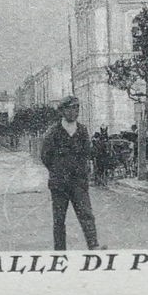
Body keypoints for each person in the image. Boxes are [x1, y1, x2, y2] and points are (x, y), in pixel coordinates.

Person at [40, 96, 99, 250]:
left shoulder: (82, 130)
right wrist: (58, 170)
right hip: (59, 184)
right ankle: (60, 252)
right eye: (70, 108)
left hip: (78, 182)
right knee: (59, 220)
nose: (74, 112)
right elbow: (45, 156)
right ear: (62, 111)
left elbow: (87, 153)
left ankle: (94, 246)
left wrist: (81, 171)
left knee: (86, 215)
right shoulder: (53, 132)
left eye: (77, 108)